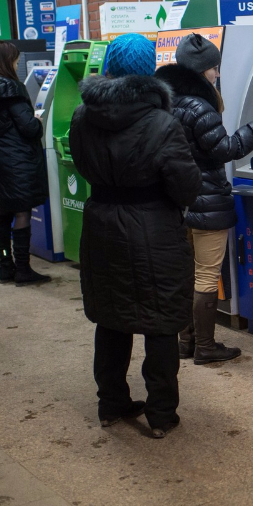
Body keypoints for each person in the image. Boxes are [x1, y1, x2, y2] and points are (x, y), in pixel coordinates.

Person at [69, 33, 201, 438]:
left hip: (101, 225)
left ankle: (111, 404)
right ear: (149, 71)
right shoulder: (162, 122)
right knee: (160, 323)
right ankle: (161, 415)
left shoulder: (82, 115)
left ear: (110, 66)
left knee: (111, 318)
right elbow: (185, 186)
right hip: (154, 229)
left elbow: (81, 164)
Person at [154, 34, 253, 365]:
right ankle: (206, 347)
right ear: (201, 70)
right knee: (207, 275)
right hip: (207, 199)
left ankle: (186, 342)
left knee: (187, 273)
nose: (218, 73)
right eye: (214, 67)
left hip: (178, 201)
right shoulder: (200, 106)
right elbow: (226, 149)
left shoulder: (166, 101)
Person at [0, 40, 50, 285]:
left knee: (1, 214)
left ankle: (6, 266)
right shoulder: (12, 90)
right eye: (15, 60)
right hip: (16, 161)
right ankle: (23, 269)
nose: (16, 63)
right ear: (7, 61)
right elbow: (29, 128)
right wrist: (38, 120)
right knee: (21, 212)